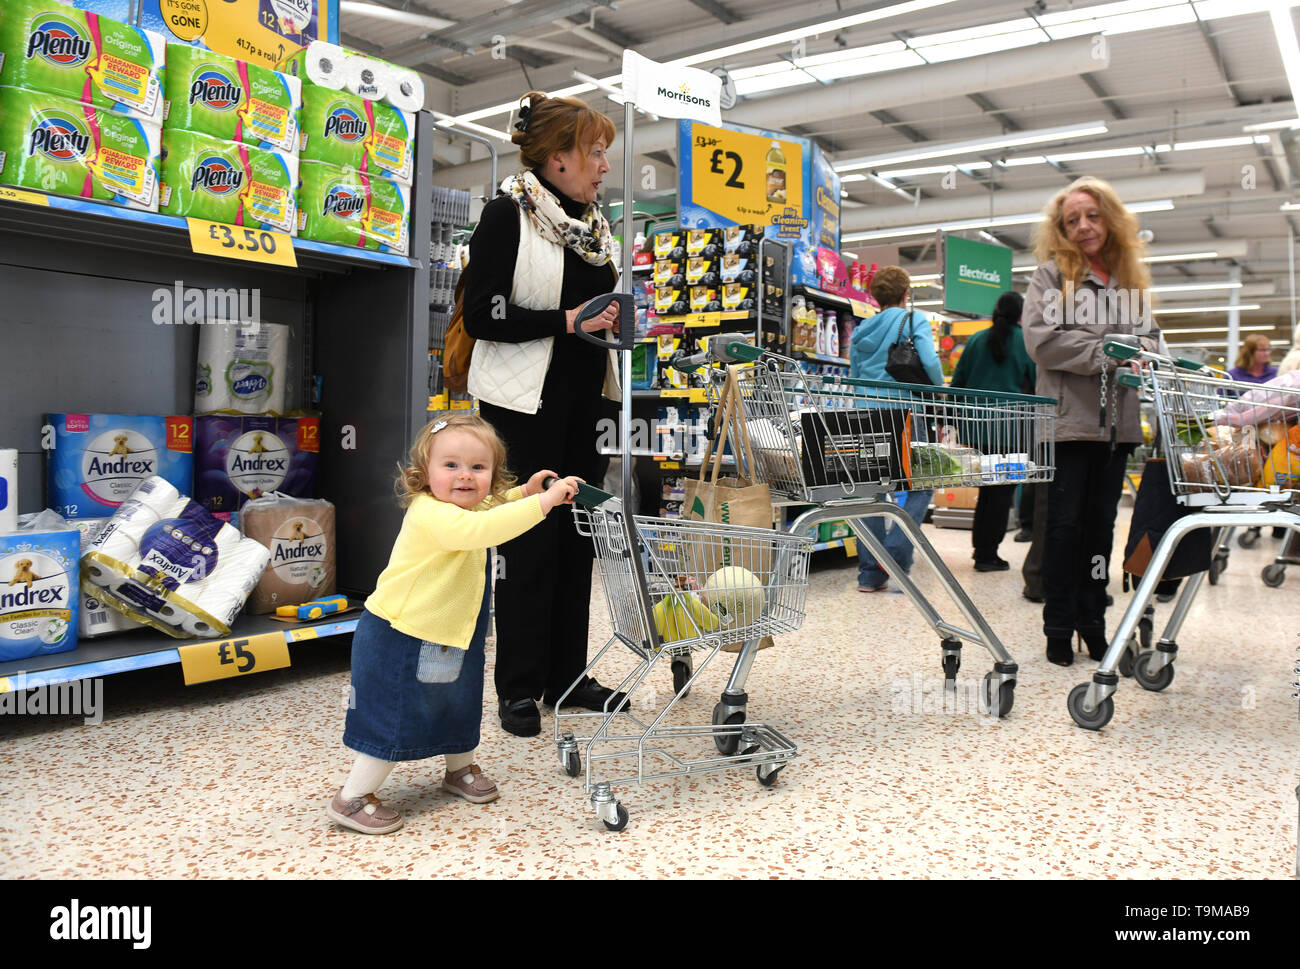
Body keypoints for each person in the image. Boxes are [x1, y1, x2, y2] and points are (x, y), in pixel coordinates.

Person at [327, 414, 582, 834]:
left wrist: (525, 491)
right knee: (394, 716)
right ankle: (352, 796)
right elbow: (484, 527)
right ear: (424, 473)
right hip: (400, 636)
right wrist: (545, 502)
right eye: (451, 466)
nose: (465, 476)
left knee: (456, 703)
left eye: (478, 468)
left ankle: (458, 768)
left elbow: (490, 506)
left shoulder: (465, 504)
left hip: (450, 633)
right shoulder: (431, 513)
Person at [462, 90, 625, 737]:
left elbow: (595, 308)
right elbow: (483, 314)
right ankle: (520, 687)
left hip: (588, 401)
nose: (604, 166)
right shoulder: (508, 216)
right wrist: (565, 321)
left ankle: (568, 675)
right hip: (524, 404)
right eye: (595, 152)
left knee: (577, 539)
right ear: (557, 158)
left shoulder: (594, 228)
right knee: (529, 542)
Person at [1022, 176, 1160, 667]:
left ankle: (1093, 622)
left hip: (1116, 429)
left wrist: (1143, 353)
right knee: (1062, 529)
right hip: (1067, 426)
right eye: (1071, 220)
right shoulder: (1051, 278)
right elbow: (1043, 342)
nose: (1083, 227)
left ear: (1111, 219)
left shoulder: (1129, 281)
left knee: (1101, 530)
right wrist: (1111, 352)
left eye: (1092, 216)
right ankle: (1058, 626)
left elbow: (1154, 343)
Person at [849, 266, 944, 592]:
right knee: (921, 484)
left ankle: (870, 575)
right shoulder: (911, 319)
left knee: (871, 491)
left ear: (875, 296)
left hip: (864, 415)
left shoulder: (861, 329)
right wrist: (940, 390)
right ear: (906, 294)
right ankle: (893, 554)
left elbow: (855, 375)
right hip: (903, 414)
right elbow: (929, 361)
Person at [950, 290, 1036, 571]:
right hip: (1012, 431)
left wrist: (950, 418)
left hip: (978, 430)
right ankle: (988, 554)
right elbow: (1036, 385)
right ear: (1021, 315)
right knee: (1001, 494)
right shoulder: (1025, 342)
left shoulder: (975, 340)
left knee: (988, 491)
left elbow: (958, 383)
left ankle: (982, 550)